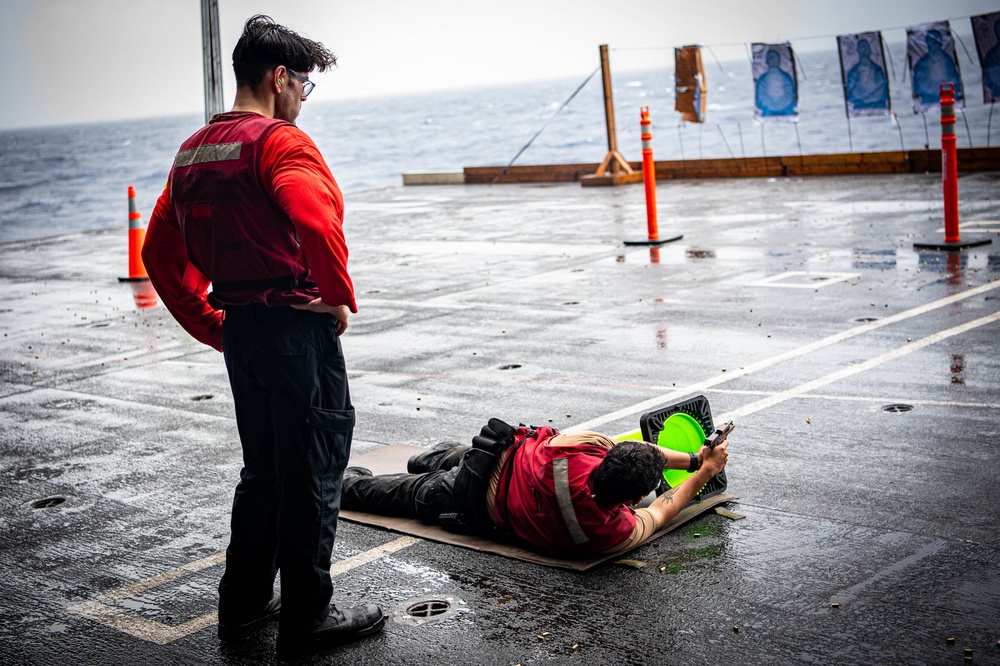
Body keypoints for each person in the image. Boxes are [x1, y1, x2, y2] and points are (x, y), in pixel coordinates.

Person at [141, 15, 384, 656]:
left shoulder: (192, 152)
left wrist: (214, 326)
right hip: (294, 333)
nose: (304, 97)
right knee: (315, 466)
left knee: (265, 471)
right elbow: (313, 216)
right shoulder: (279, 144)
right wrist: (336, 297)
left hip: (244, 335)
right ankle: (307, 618)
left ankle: (244, 604)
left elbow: (158, 254)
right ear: (279, 78)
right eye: (304, 83)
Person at [341, 419, 730, 557]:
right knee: (407, 494)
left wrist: (697, 459)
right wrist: (702, 471)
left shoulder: (584, 448)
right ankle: (342, 486)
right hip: (470, 498)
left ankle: (430, 458)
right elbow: (662, 510)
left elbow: (642, 451)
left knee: (449, 459)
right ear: (631, 500)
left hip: (491, 454)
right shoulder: (611, 532)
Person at [845, 38, 889, 112]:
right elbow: (851, 95)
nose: (864, 50)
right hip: (859, 108)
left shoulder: (877, 69)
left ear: (869, 49)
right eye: (861, 47)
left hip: (879, 106)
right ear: (858, 50)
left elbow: (883, 92)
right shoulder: (853, 72)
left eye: (865, 47)